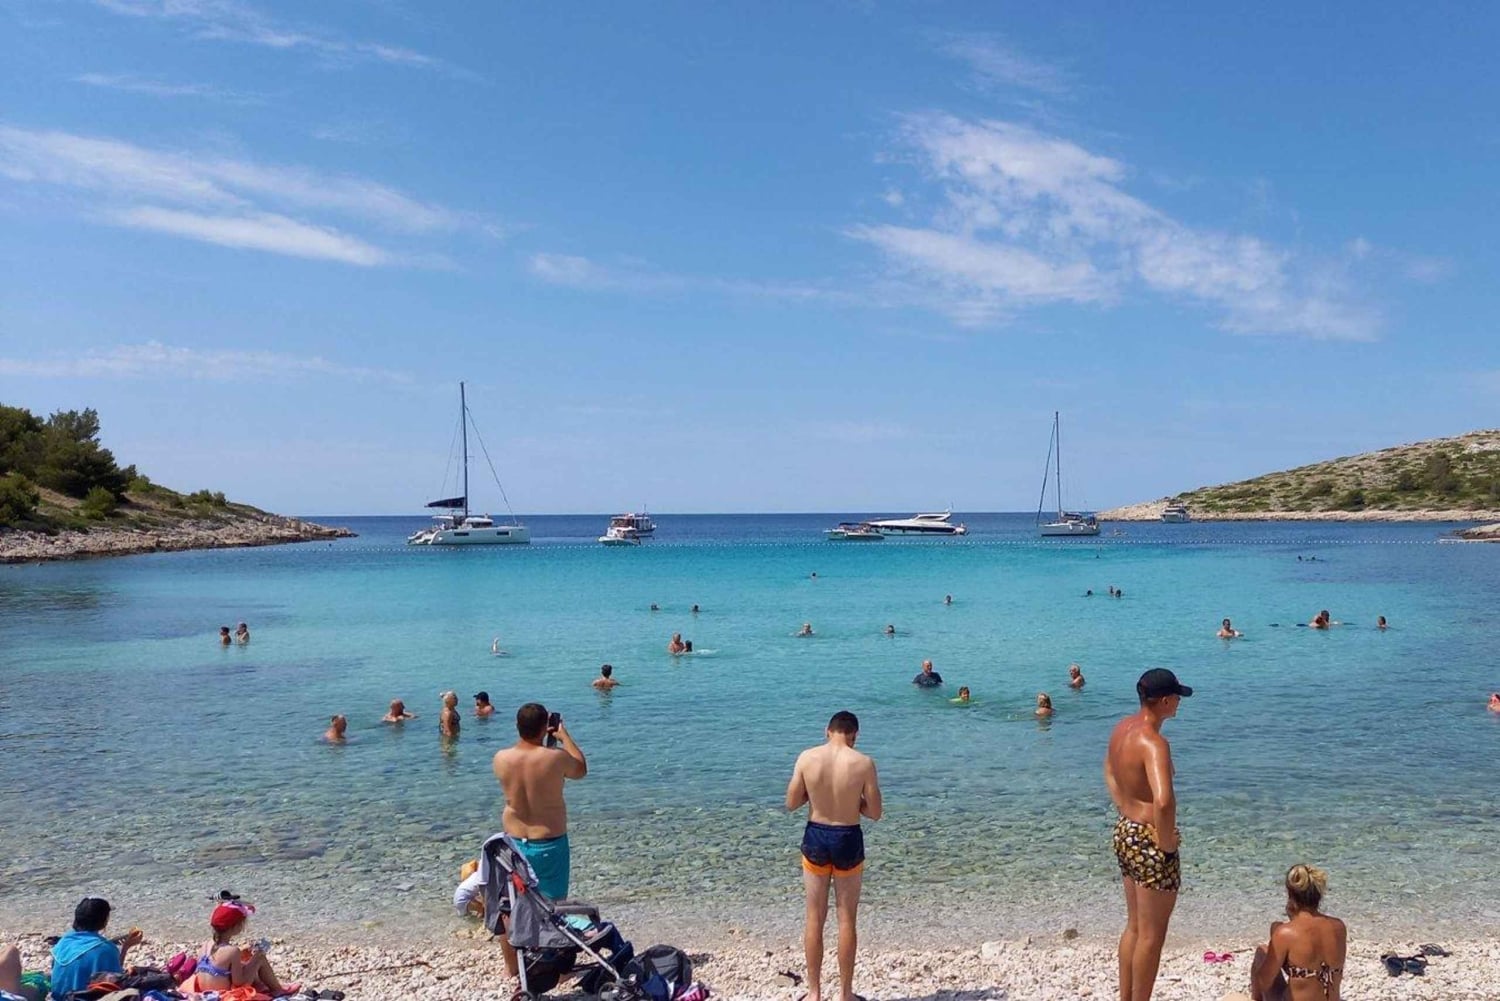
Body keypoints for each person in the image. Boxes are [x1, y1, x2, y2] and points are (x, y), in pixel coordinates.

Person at [1105, 667, 1193, 1001]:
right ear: (1166, 701)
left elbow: (1109, 771)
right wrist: (1167, 843)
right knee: (1152, 936)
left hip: (1125, 831)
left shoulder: (1121, 729)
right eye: (1177, 698)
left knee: (1135, 927)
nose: (1179, 704)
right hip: (1149, 839)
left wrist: (1126, 807)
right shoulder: (1154, 742)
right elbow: (1164, 800)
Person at [785, 711, 882, 1001]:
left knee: (814, 917)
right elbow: (875, 813)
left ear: (827, 730)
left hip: (816, 834)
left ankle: (814, 994)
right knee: (846, 920)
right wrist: (854, 803)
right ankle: (845, 995)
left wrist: (814, 796)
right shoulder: (863, 763)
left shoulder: (807, 757)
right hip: (848, 836)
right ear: (854, 735)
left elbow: (791, 803)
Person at [492, 704, 587, 986]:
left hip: (511, 846)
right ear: (547, 726)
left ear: (517, 726)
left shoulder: (501, 758)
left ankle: (512, 968)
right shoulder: (555, 758)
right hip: (548, 844)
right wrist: (564, 736)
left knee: (509, 907)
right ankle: (553, 969)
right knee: (552, 908)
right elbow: (580, 768)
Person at [1247, 865, 1346, 1001]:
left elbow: (1264, 982)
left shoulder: (1286, 933)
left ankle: (1254, 999)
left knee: (1261, 952)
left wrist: (1282, 930)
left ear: (1290, 895)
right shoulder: (1339, 927)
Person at [184, 899, 295, 997]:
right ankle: (277, 990)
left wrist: (243, 960)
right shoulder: (232, 951)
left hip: (206, 990)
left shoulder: (206, 945)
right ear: (236, 927)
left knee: (245, 962)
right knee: (259, 957)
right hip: (223, 994)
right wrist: (254, 959)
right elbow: (239, 982)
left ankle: (265, 984)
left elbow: (219, 963)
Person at [49, 898, 140, 1001]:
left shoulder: (63, 942)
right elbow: (115, 982)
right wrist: (125, 948)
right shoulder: (105, 949)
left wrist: (125, 947)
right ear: (104, 921)